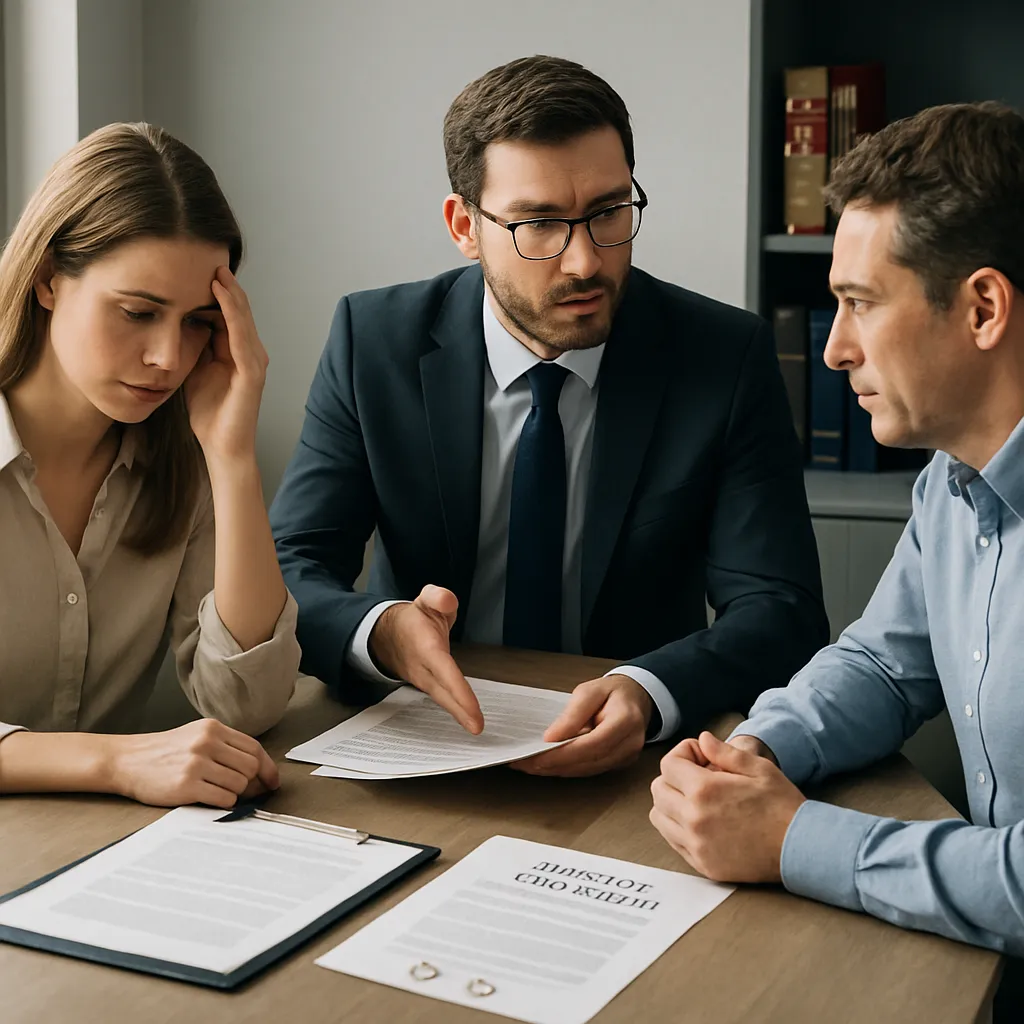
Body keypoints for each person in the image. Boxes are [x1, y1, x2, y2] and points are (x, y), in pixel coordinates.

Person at [271, 55, 827, 777]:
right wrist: (379, 635)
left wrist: (649, 689)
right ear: (463, 227)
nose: (583, 263)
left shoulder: (722, 356)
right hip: (417, 737)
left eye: (608, 212)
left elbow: (780, 608)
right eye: (538, 224)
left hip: (632, 757)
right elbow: (295, 564)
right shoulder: (374, 342)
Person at [648, 101, 1024, 1017]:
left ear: (981, 307)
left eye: (859, 304)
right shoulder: (952, 479)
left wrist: (795, 840)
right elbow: (883, 665)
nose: (832, 348)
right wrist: (750, 755)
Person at [0, 123, 301, 808]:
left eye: (198, 321)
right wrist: (114, 763)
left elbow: (247, 702)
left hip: (91, 861)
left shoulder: (180, 463)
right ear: (48, 279)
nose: (169, 355)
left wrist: (231, 458)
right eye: (139, 312)